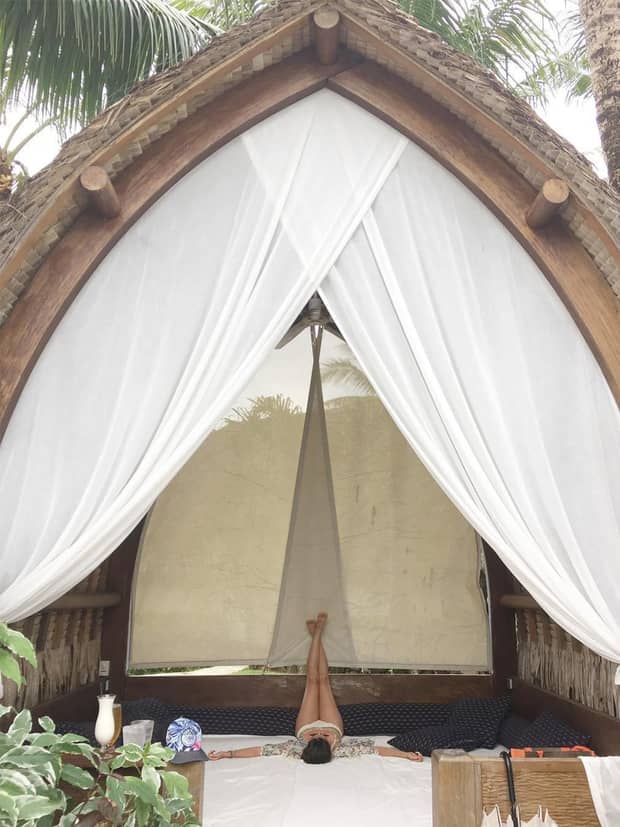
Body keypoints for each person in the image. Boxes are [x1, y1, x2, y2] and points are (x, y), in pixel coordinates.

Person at [208, 613, 423, 764]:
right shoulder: (342, 750)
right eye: (323, 738)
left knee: (312, 681)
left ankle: (316, 635)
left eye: (315, 737)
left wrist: (228, 754)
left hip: (304, 724)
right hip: (334, 724)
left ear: (305, 747)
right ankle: (317, 633)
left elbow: (260, 751)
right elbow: (377, 750)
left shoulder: (295, 749)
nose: (319, 733)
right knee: (323, 681)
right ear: (332, 748)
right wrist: (406, 756)